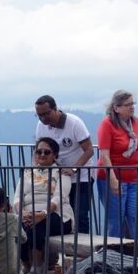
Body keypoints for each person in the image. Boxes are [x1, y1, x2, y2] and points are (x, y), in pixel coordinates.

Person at [97, 90, 138, 248]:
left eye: (133, 103)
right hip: (112, 177)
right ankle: (115, 254)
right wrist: (113, 180)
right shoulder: (107, 124)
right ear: (116, 108)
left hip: (135, 177)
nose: (132, 107)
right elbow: (104, 155)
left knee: (136, 216)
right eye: (127, 104)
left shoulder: (136, 122)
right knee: (116, 217)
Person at [34, 95, 96, 234]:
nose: (43, 118)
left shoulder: (74, 123)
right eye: (39, 115)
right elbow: (38, 148)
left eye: (46, 114)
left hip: (81, 177)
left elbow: (89, 150)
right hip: (57, 177)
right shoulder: (41, 126)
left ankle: (81, 252)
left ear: (55, 109)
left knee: (80, 215)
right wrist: (36, 170)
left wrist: (74, 168)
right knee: (59, 213)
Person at [13, 137, 73, 274]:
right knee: (18, 224)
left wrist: (43, 213)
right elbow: (17, 196)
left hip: (58, 216)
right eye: (39, 151)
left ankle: (36, 265)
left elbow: (59, 198)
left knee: (37, 224)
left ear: (55, 155)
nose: (42, 155)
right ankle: (26, 262)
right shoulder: (28, 173)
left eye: (47, 152)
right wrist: (21, 212)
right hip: (30, 213)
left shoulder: (61, 174)